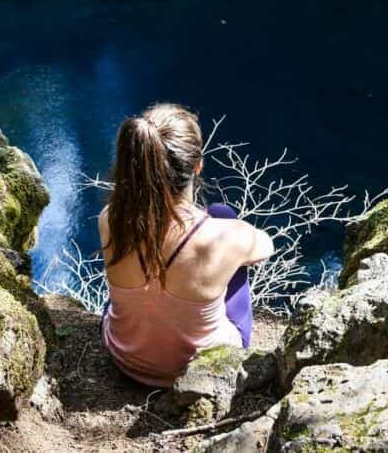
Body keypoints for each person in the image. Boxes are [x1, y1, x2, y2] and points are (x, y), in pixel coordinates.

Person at [99, 103, 274, 387]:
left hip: (124, 357)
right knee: (223, 214)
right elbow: (266, 247)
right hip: (197, 370)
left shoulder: (111, 218)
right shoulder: (225, 237)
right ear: (197, 165)